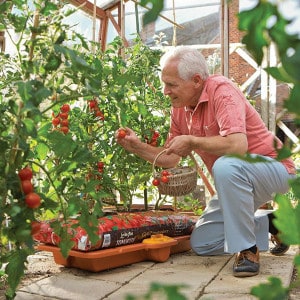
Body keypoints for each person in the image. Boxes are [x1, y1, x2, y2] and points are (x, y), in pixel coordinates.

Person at [116, 46, 296, 277]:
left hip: (275, 170)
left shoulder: (222, 91)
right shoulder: (180, 108)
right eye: (164, 83)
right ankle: (273, 223)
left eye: (171, 84)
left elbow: (237, 146)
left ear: (197, 80)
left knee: (225, 164)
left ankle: (246, 250)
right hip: (235, 179)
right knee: (203, 243)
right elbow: (170, 158)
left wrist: (192, 141)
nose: (165, 91)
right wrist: (137, 146)